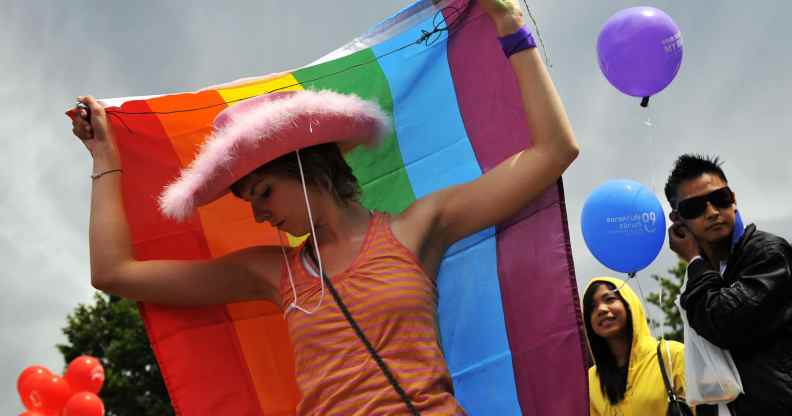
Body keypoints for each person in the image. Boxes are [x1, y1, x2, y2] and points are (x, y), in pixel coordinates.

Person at [69, 1, 579, 414]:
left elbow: (554, 153)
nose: (258, 216)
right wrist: (105, 159)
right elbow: (114, 272)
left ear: (304, 166)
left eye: (264, 192)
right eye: (249, 202)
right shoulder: (272, 273)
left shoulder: (418, 227)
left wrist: (508, 23)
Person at [665, 154, 792, 414]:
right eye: (696, 207)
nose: (712, 212)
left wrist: (693, 260)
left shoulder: (768, 253)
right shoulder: (703, 275)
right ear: (678, 220)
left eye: (720, 199)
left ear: (733, 199)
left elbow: (723, 321)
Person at [584, 277, 690, 415]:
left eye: (609, 299)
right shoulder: (590, 381)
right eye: (592, 307)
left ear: (629, 304)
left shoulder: (672, 356)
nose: (601, 309)